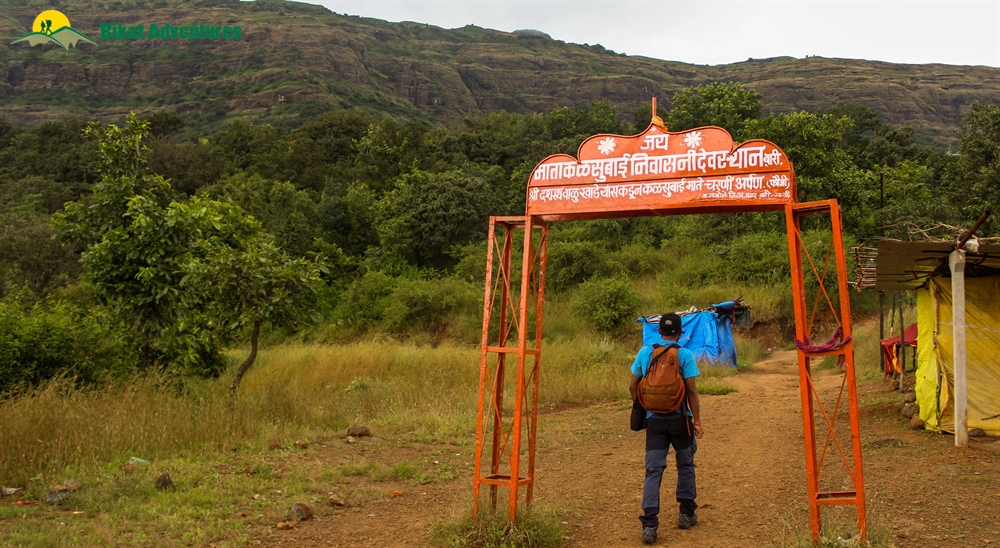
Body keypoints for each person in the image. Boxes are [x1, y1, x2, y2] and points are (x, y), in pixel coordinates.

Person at [629, 312, 704, 545]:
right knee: (685, 464)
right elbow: (691, 391)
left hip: (655, 422)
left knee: (653, 470)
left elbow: (633, 385)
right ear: (679, 332)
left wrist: (641, 408)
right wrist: (697, 421)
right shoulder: (685, 354)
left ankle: (649, 524)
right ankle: (686, 513)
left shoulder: (645, 352)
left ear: (659, 331)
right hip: (680, 420)